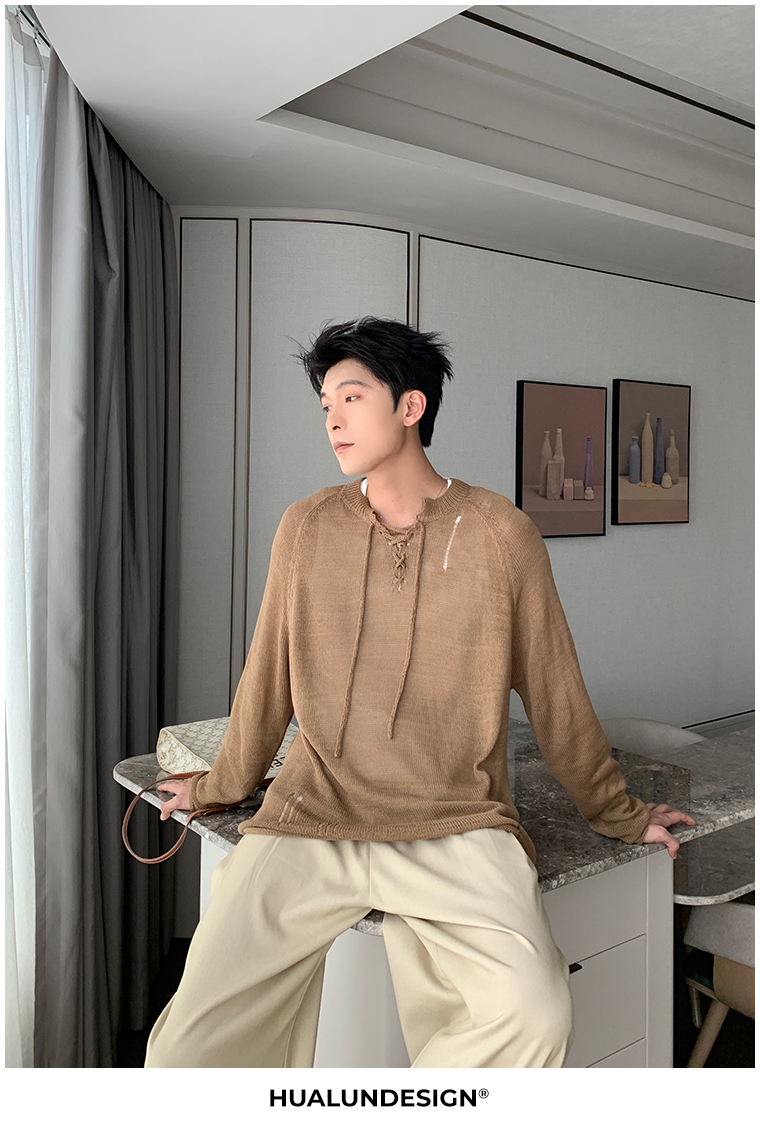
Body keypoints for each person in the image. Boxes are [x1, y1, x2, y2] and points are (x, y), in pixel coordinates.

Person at [144, 316, 695, 1069]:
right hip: (312, 818)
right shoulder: (305, 527)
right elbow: (265, 678)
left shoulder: (501, 533)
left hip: (456, 822)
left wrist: (617, 811)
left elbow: (556, 691)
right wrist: (219, 786)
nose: (332, 418)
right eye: (326, 403)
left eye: (352, 396)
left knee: (536, 1014)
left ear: (411, 406)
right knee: (184, 1050)